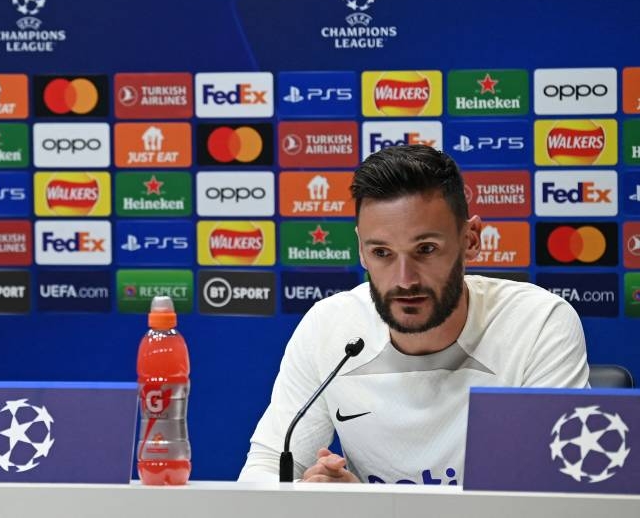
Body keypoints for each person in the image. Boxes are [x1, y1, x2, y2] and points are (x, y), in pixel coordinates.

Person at [238, 145, 589, 485]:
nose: (404, 279)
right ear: (361, 250)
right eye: (382, 252)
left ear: (470, 240)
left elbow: (559, 495)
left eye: (426, 249)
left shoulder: (537, 323)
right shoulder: (330, 326)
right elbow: (264, 470)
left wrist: (365, 512)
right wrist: (315, 497)